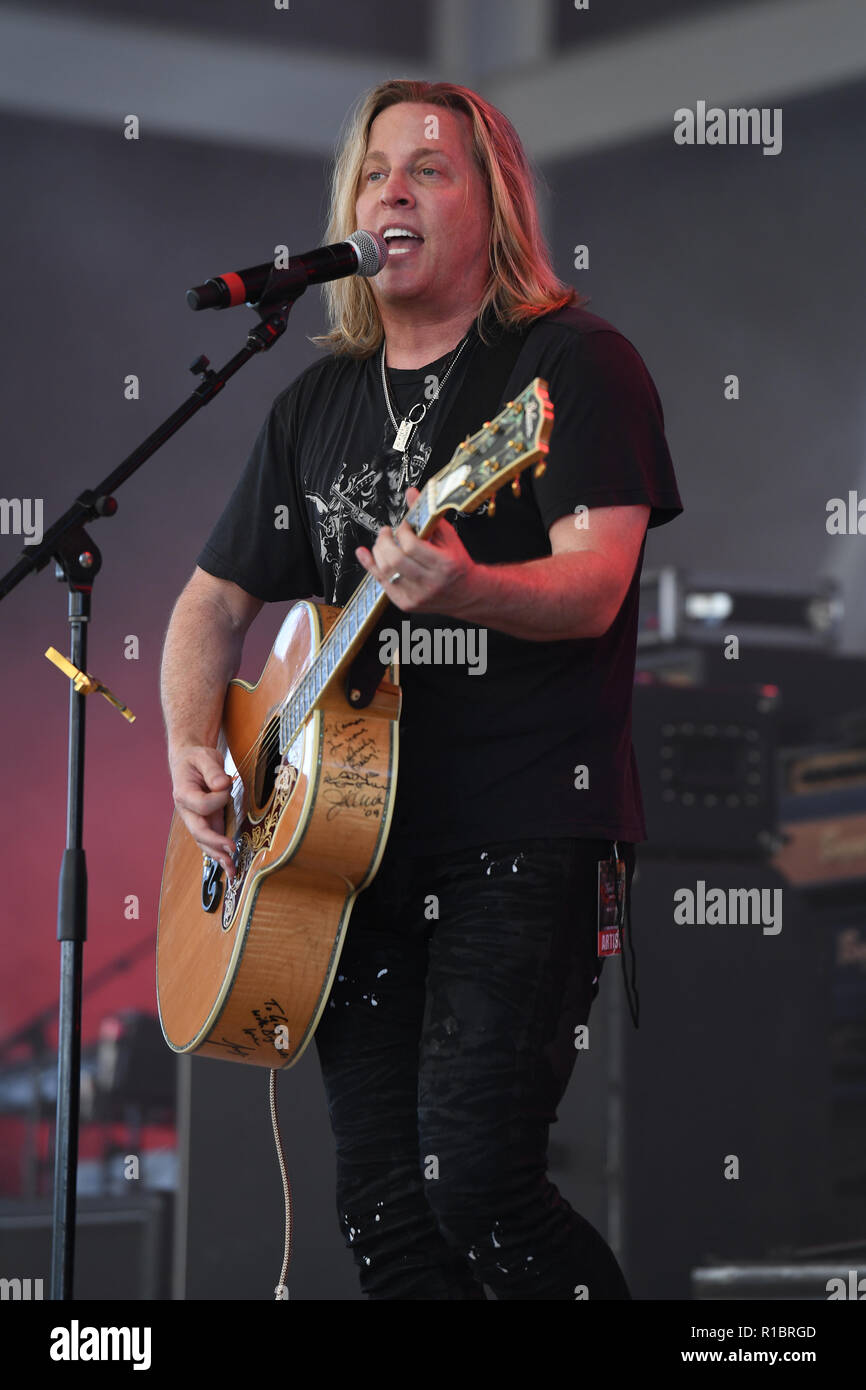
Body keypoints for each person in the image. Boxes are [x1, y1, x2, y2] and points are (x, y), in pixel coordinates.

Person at [159, 78, 683, 1300]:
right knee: (388, 1220)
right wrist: (196, 738)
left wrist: (462, 587)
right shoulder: (315, 400)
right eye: (372, 171)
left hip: (517, 831)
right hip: (345, 860)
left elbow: (596, 584)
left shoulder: (568, 366)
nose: (390, 190)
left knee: (478, 1185)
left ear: (492, 208)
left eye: (428, 169)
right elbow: (207, 607)